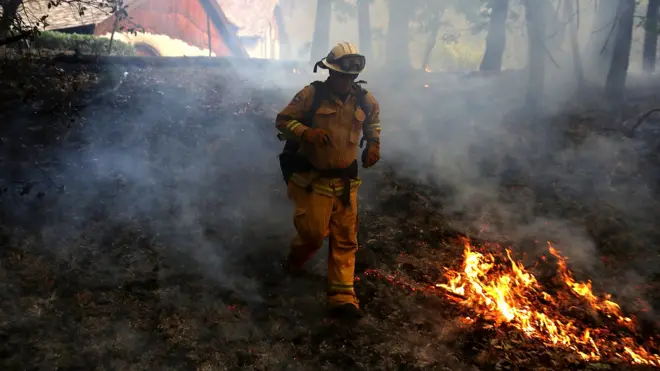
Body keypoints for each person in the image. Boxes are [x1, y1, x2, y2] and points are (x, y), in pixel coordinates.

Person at [275, 42, 381, 320]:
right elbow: (283, 121)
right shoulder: (311, 94)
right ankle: (294, 261)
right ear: (330, 72)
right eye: (342, 76)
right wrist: (306, 133)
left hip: (347, 183)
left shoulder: (363, 99)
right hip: (315, 180)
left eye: (351, 77)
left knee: (346, 239)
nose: (347, 81)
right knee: (312, 235)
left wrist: (374, 143)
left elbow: (373, 120)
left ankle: (342, 296)